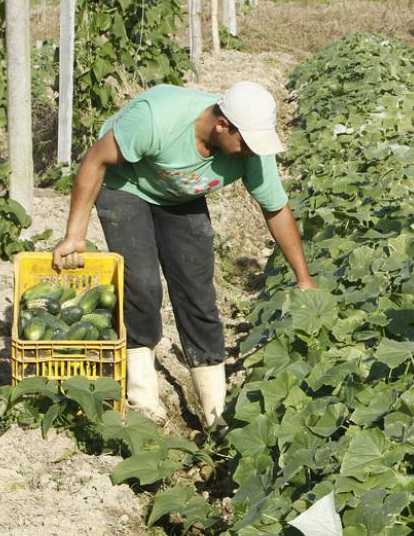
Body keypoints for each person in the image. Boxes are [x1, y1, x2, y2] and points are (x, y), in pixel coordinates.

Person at [53, 81, 316, 428]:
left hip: (180, 194)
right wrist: (75, 234)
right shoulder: (156, 120)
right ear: (222, 125)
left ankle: (214, 412)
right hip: (125, 184)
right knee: (142, 285)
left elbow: (276, 209)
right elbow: (95, 160)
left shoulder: (249, 152)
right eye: (246, 144)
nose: (251, 152)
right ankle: (143, 399)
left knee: (197, 292)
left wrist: (303, 277)